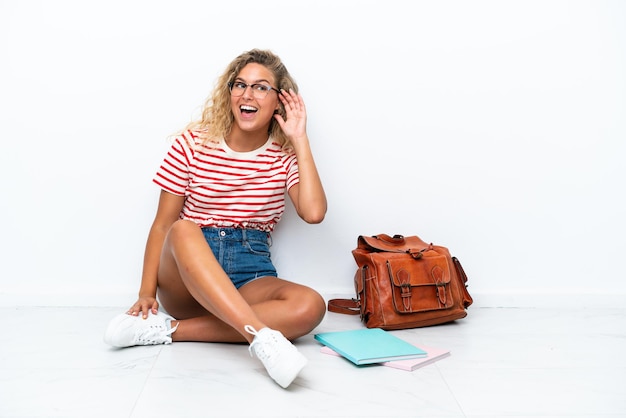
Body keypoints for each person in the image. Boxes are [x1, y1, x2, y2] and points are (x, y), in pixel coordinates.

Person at [103, 49, 327, 389]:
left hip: (249, 272)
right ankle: (261, 338)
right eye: (240, 85)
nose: (248, 94)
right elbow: (163, 224)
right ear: (230, 93)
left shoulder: (284, 158)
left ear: (279, 101)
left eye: (261, 87)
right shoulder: (192, 143)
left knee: (311, 306)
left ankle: (168, 330)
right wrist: (146, 291)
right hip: (187, 273)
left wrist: (299, 138)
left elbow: (313, 213)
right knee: (183, 229)